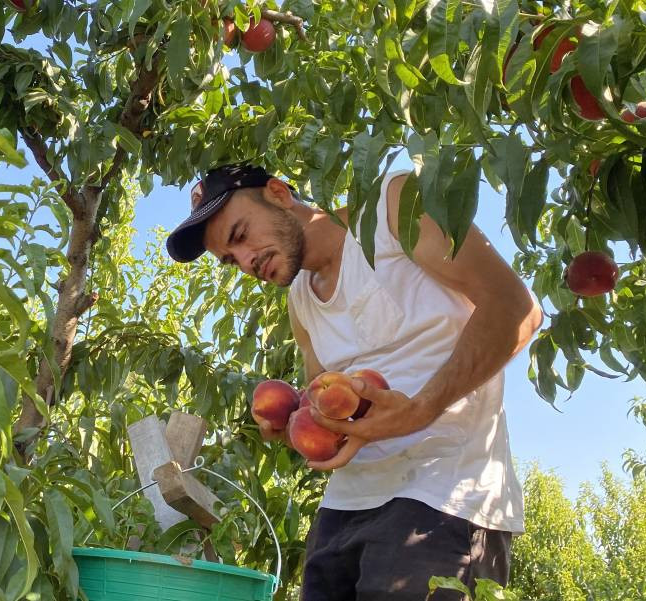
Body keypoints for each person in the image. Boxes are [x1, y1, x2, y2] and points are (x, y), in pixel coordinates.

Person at [165, 163, 542, 600]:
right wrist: (289, 426)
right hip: (344, 511)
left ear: (277, 192)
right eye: (231, 260)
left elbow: (516, 307)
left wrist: (420, 409)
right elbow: (327, 418)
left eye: (240, 235)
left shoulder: (392, 208)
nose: (247, 261)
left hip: (444, 497)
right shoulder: (301, 301)